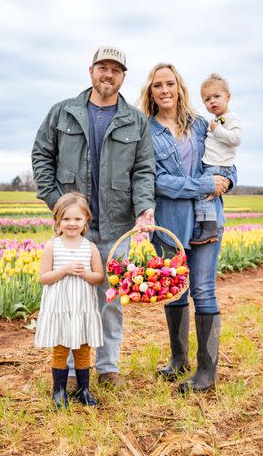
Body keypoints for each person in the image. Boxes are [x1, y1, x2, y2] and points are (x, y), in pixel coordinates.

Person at [32, 46, 155, 388]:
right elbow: (41, 155)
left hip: (116, 226)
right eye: (103, 67)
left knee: (110, 300)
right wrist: (58, 204)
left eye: (116, 70)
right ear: (90, 71)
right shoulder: (63, 113)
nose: (108, 74)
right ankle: (71, 371)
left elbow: (144, 170)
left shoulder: (136, 120)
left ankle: (108, 366)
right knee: (73, 298)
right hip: (74, 232)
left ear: (123, 77)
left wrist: (144, 207)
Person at [138, 63, 237, 393]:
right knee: (175, 288)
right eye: (157, 86)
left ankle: (207, 372)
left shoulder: (201, 125)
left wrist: (228, 181)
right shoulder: (146, 132)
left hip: (207, 218)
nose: (164, 90)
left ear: (179, 87)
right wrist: (201, 183)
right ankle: (178, 361)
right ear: (150, 92)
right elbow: (156, 181)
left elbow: (227, 161)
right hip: (169, 223)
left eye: (170, 84)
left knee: (204, 290)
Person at [35, 192, 103, 408]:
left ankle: (84, 391)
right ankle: (59, 392)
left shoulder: (90, 247)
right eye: (66, 219)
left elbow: (99, 277)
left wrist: (85, 274)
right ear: (57, 221)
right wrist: (64, 270)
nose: (72, 223)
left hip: (82, 307)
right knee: (61, 349)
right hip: (61, 307)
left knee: (83, 349)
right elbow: (44, 278)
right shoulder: (52, 246)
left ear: (86, 221)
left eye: (77, 219)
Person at [190, 73, 242, 245]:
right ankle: (207, 226)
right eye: (207, 99)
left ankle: (209, 229)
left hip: (218, 167)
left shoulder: (231, 118)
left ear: (228, 97)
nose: (212, 101)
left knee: (203, 194)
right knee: (204, 194)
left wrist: (217, 130)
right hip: (212, 165)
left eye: (217, 96)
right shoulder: (215, 120)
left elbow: (236, 139)